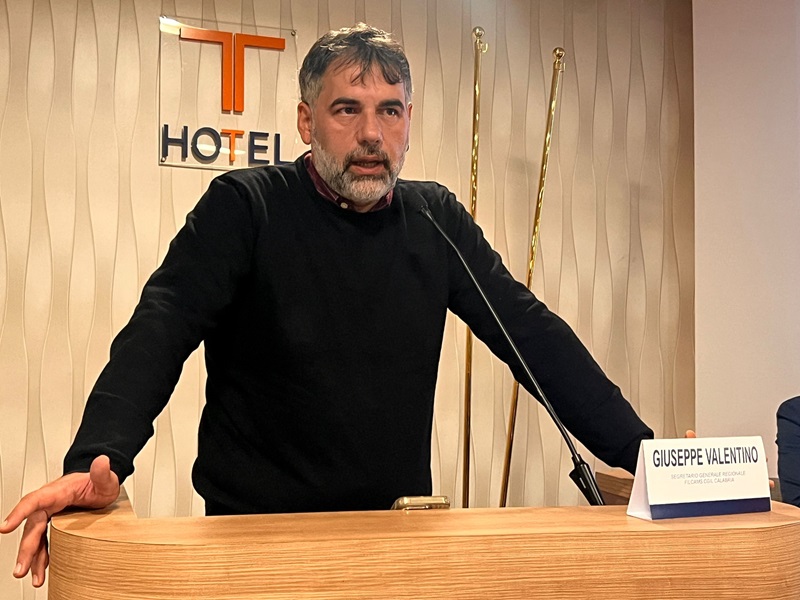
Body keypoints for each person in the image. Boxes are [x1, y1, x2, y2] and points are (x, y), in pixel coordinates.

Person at [0, 23, 653, 588]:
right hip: (256, 546)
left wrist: (647, 455)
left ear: (409, 120)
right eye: (347, 110)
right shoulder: (246, 207)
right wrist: (97, 459)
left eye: (390, 111)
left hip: (395, 543)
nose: (372, 134)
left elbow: (533, 337)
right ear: (306, 121)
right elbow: (159, 331)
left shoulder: (435, 217)